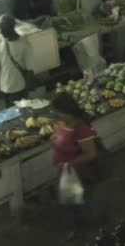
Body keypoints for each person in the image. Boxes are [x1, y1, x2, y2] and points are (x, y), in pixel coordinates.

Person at [50, 92, 98, 240]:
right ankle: (76, 227)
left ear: (66, 111)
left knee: (75, 205)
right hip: (64, 172)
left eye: (57, 111)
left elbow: (91, 153)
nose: (55, 114)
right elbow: (61, 138)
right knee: (68, 202)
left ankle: (81, 232)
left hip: (75, 173)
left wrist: (68, 164)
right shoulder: (63, 122)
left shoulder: (81, 129)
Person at [0, 15, 35, 106]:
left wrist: (26, 91)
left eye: (2, 29)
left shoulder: (24, 44)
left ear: (10, 28)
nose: (0, 31)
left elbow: (30, 70)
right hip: (4, 87)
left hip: (19, 87)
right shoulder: (0, 40)